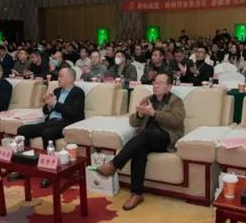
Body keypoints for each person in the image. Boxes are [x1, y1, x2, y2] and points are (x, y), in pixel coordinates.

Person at [96, 72, 185, 211]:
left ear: (169, 87)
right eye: (155, 82)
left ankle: (114, 164)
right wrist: (140, 114)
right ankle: (136, 194)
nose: (156, 85)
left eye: (160, 83)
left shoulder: (176, 101)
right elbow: (133, 122)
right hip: (147, 139)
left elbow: (176, 120)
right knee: (140, 148)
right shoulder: (148, 99)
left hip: (165, 138)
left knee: (144, 135)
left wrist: (153, 113)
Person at [17, 67, 85, 187]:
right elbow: (45, 110)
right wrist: (49, 105)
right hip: (50, 122)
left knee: (48, 133)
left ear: (70, 78)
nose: (58, 78)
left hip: (66, 123)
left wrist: (55, 104)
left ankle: (49, 171)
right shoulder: (57, 91)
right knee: (22, 130)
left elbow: (73, 112)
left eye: (61, 76)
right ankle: (25, 167)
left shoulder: (78, 93)